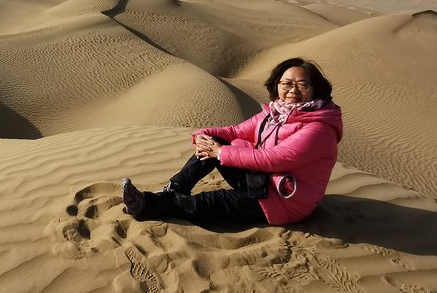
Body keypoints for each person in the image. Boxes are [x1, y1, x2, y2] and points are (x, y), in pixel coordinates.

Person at [122, 57, 343, 226]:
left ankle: (147, 205)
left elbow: (274, 159)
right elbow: (235, 131)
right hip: (261, 180)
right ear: (277, 85)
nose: (293, 90)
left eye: (302, 85)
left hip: (283, 201)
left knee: (210, 202)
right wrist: (202, 134)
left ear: (315, 89)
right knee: (215, 140)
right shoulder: (274, 114)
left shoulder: (319, 129)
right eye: (286, 83)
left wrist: (221, 152)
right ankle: (174, 188)